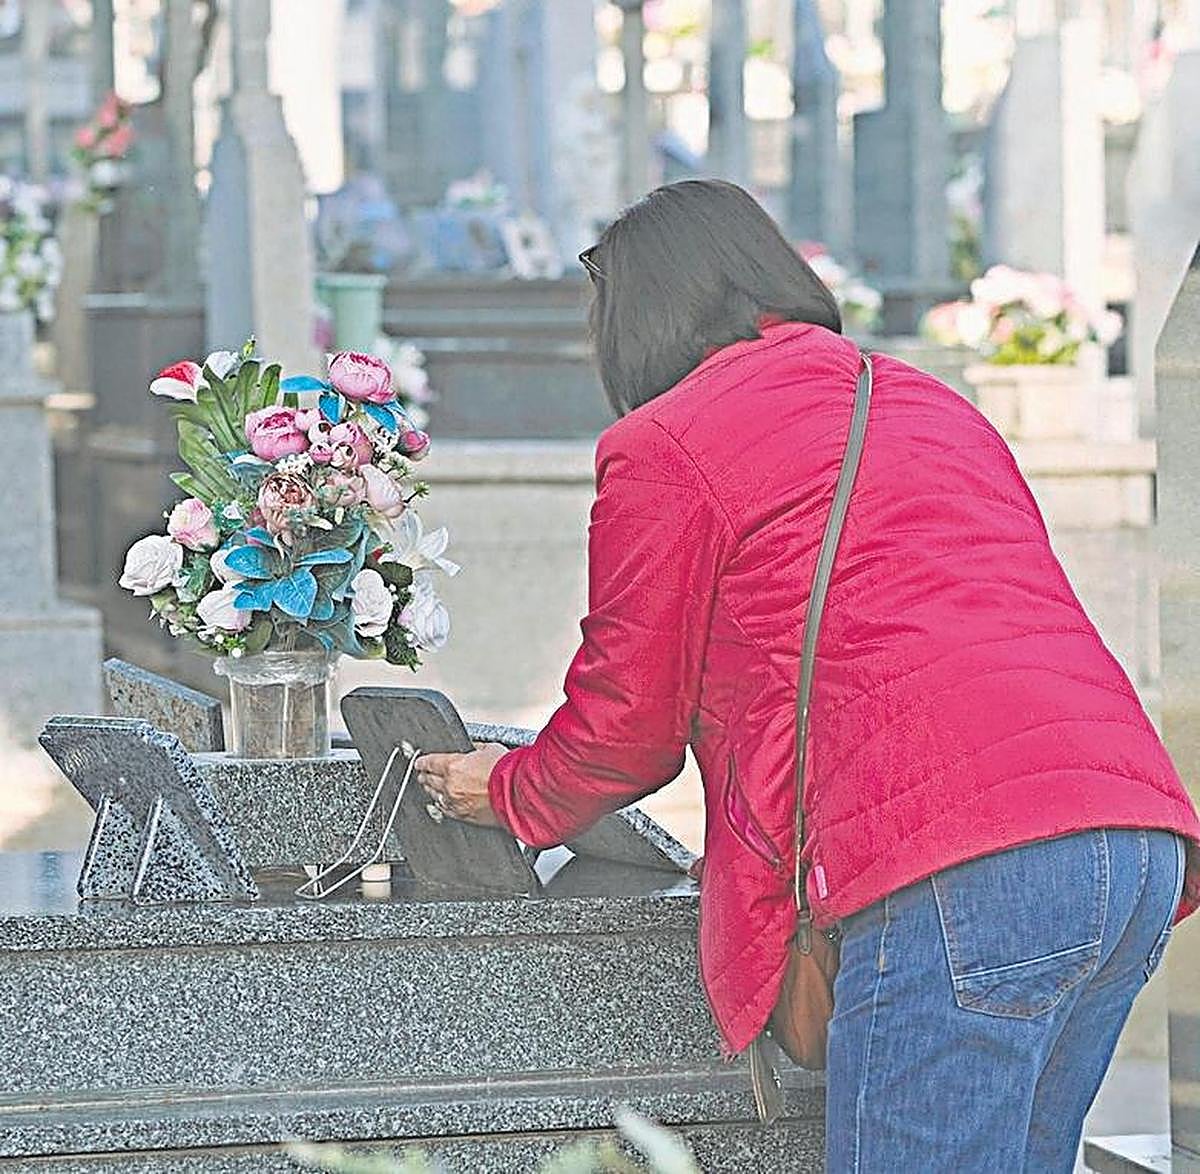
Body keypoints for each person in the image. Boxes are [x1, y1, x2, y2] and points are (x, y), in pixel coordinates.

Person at [415, 179, 1200, 1172]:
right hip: (1129, 840)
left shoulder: (665, 441)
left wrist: (511, 787)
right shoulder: (922, 398)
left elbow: (626, 723)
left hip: (960, 859)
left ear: (642, 314)